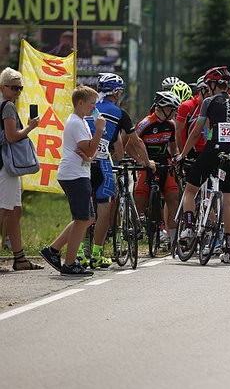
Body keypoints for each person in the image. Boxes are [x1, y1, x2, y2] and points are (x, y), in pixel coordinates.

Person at [176, 66, 230, 265]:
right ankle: (228, 250)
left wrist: (183, 154)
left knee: (190, 190)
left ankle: (189, 227)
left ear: (214, 85)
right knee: (229, 201)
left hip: (213, 148)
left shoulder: (209, 101)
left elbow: (196, 131)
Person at [84, 73, 152, 268]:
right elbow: (136, 142)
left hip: (82, 163)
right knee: (104, 208)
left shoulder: (87, 108)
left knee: (83, 210)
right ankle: (97, 254)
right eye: (120, 91)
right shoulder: (119, 113)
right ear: (115, 92)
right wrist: (147, 163)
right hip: (102, 164)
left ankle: (80, 253)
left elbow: (116, 143)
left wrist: (120, 157)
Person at [39, 86, 105, 276]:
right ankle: (69, 264)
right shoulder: (76, 122)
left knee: (88, 218)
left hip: (79, 172)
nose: (94, 107)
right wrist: (99, 130)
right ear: (81, 103)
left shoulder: (81, 121)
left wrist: (90, 154)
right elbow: (90, 149)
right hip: (74, 175)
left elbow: (90, 152)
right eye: (92, 103)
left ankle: (53, 250)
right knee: (81, 219)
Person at [0, 67, 42, 271]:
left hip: (6, 165)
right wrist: (30, 127)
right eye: (14, 87)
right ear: (3, 87)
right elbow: (11, 136)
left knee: (15, 211)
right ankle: (18, 258)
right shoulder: (7, 106)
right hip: (6, 166)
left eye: (20, 88)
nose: (17, 92)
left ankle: (20, 258)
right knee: (6, 210)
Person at [133, 91, 181, 249]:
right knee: (140, 198)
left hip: (164, 163)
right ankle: (134, 231)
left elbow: (173, 147)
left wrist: (176, 158)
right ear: (163, 108)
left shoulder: (171, 124)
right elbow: (129, 144)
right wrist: (141, 161)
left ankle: (173, 238)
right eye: (172, 109)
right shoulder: (145, 123)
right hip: (147, 164)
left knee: (173, 197)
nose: (174, 113)